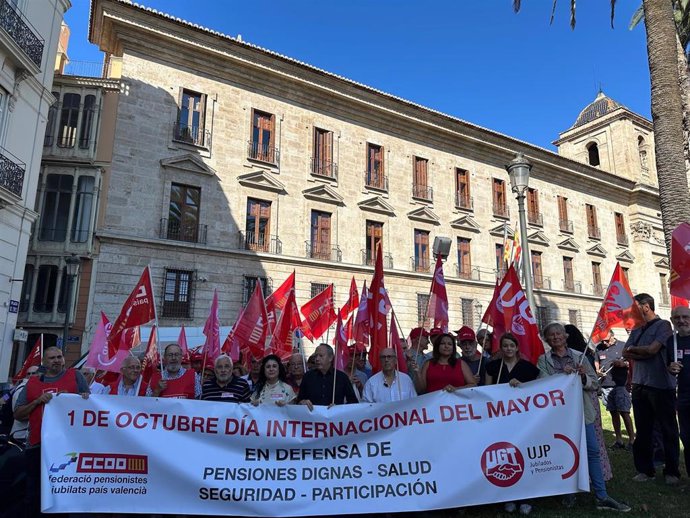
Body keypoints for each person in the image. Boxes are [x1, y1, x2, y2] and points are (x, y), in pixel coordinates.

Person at [538, 323, 630, 512]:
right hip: (558, 416)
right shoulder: (543, 360)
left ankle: (601, 495)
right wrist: (560, 377)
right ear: (547, 340)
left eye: (558, 334)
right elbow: (542, 384)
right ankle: (568, 493)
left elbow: (595, 383)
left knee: (592, 451)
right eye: (551, 335)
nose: (555, 337)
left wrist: (582, 378)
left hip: (582, 412)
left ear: (565, 336)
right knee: (564, 453)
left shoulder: (580, 357)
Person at [13, 346, 90, 518]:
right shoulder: (32, 384)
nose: (57, 360)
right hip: (37, 445)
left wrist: (76, 399)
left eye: (60, 357)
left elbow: (89, 406)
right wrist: (37, 402)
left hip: (66, 448)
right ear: (44, 362)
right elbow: (18, 414)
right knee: (34, 494)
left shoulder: (75, 376)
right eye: (52, 358)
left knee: (60, 494)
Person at [622, 293, 679, 484]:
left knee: (668, 429)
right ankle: (645, 470)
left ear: (646, 306)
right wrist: (643, 352)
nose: (631, 310)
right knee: (643, 430)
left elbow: (653, 350)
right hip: (640, 384)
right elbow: (625, 352)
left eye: (635, 306)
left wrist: (638, 351)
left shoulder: (663, 325)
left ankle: (672, 471)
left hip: (661, 385)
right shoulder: (636, 328)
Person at [486, 332, 539, 515]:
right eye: (505, 345)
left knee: (523, 456)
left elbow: (538, 391)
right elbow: (486, 392)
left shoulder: (528, 368)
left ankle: (526, 498)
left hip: (522, 420)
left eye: (511, 345)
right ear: (501, 348)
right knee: (506, 457)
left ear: (517, 348)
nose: (508, 348)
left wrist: (522, 386)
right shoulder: (493, 367)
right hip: (500, 419)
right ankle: (509, 496)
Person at [565, 324, 612, 481]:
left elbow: (593, 381)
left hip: (586, 398)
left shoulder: (581, 356)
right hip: (583, 399)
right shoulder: (589, 352)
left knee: (593, 438)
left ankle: (599, 473)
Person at [597, 330, 635, 450]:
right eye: (602, 340)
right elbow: (596, 362)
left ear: (612, 335)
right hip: (606, 385)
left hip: (620, 384)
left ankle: (632, 440)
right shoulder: (599, 347)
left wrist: (622, 364)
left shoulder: (623, 345)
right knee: (613, 412)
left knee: (624, 412)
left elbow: (631, 363)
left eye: (606, 340)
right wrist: (598, 371)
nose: (604, 342)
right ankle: (618, 439)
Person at [297, 344, 358, 409]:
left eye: (321, 356)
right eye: (316, 356)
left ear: (330, 358)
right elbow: (299, 401)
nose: (317, 359)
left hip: (335, 418)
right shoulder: (308, 377)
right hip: (312, 417)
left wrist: (340, 408)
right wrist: (302, 402)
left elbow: (353, 402)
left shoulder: (342, 377)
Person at [667, 305, 690, 477]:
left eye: (685, 317)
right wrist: (671, 367)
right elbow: (669, 365)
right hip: (683, 396)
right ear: (672, 321)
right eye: (677, 318)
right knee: (687, 438)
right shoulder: (671, 342)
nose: (681, 321)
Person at [9, 365, 40, 444]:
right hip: (20, 435)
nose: (31, 375)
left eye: (34, 373)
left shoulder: (33, 388)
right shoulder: (22, 390)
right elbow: (18, 414)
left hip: (27, 434)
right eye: (29, 374)